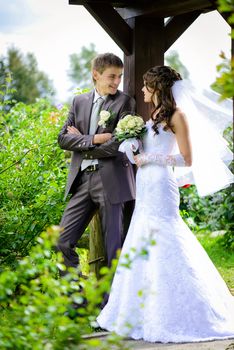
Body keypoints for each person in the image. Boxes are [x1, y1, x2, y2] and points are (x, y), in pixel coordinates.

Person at [97, 66, 234, 343]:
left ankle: (179, 311)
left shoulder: (177, 116)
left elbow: (186, 158)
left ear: (158, 88)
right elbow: (149, 151)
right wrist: (135, 151)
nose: (144, 90)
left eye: (148, 86)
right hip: (146, 183)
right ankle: (139, 311)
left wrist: (151, 159)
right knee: (142, 237)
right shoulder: (154, 116)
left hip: (162, 185)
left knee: (166, 237)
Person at [57, 53, 136, 275]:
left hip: (112, 181)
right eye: (112, 76)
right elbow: (63, 139)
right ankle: (77, 301)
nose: (116, 81)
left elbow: (117, 145)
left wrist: (81, 141)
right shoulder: (78, 101)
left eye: (119, 77)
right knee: (62, 240)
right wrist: (94, 138)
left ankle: (110, 305)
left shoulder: (125, 102)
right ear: (96, 74)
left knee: (114, 248)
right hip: (82, 180)